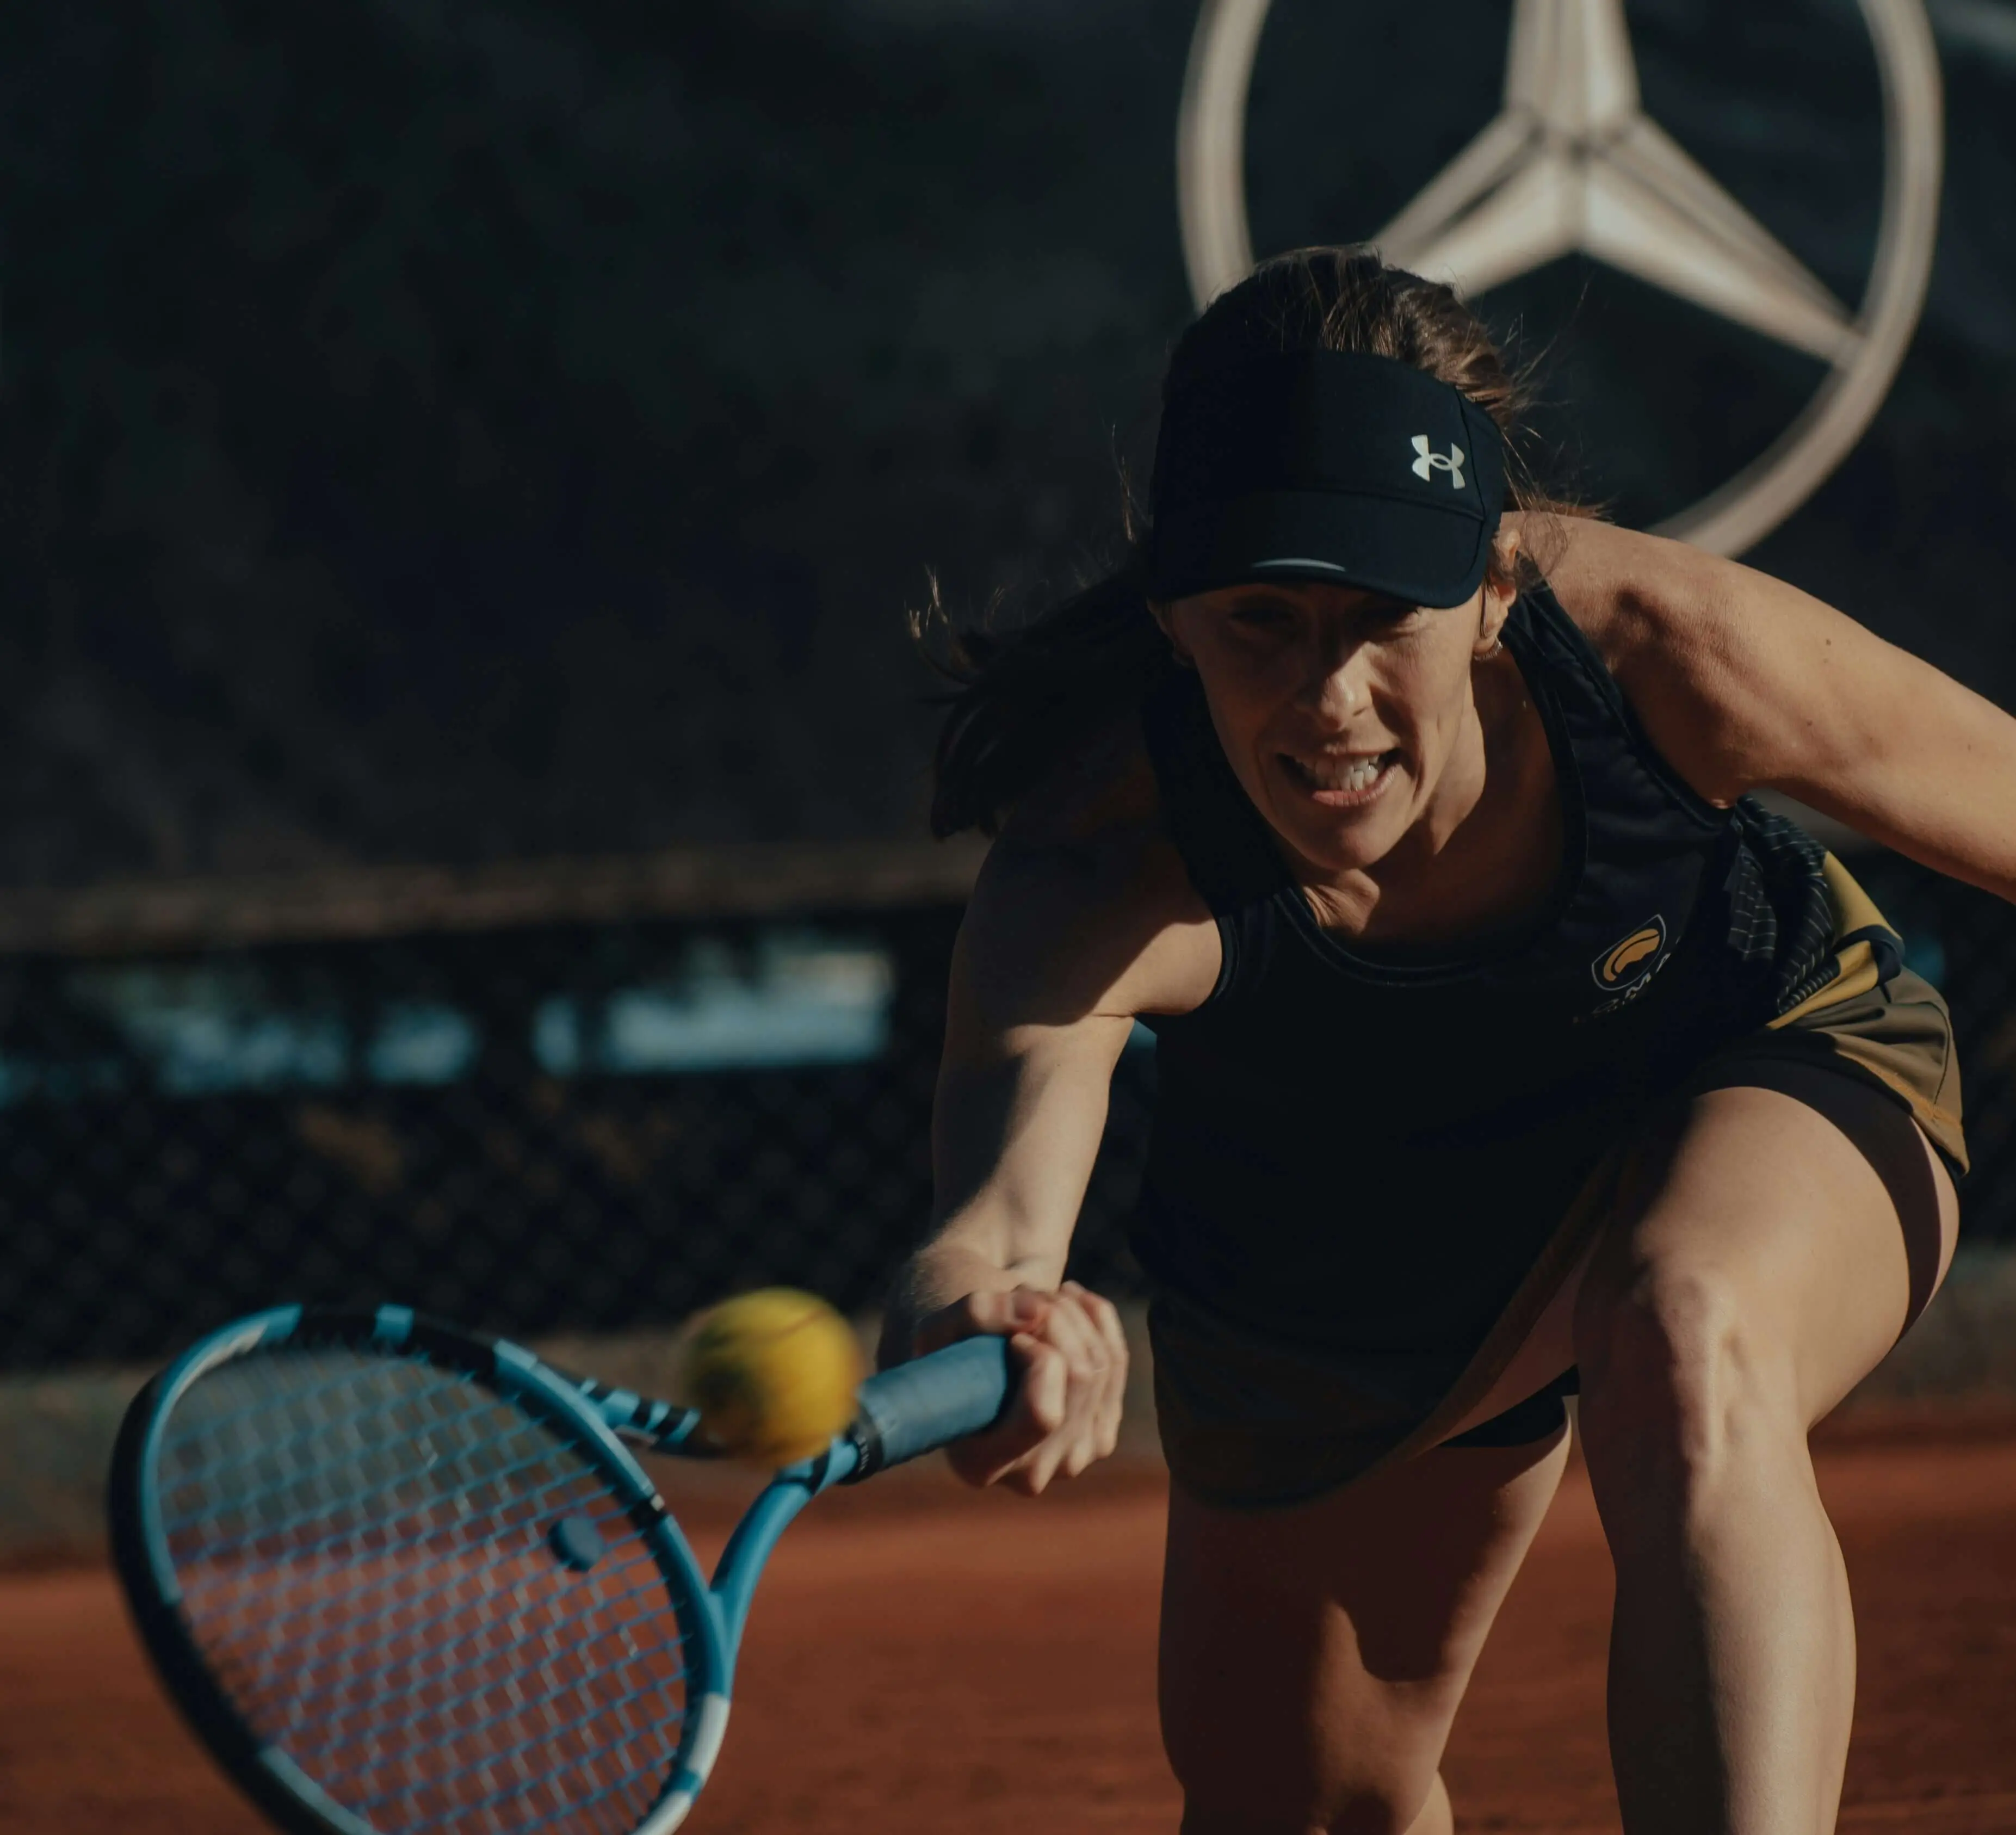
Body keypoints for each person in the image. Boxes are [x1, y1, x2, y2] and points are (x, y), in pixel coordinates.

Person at [881, 246, 1988, 1835]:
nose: (1329, 694)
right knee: (1309, 1800)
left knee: (1688, 1332)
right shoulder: (1095, 864)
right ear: (1174, 611)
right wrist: (994, 1327)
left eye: (1382, 611)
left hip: (1756, 1056)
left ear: (1495, 585)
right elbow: (980, 1236)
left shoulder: (1667, 653)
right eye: (1261, 618)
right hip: (1350, 1234)